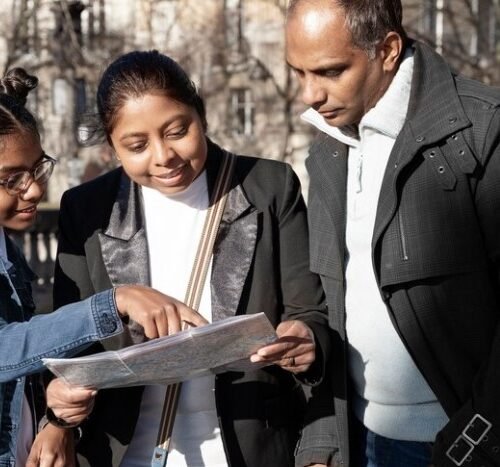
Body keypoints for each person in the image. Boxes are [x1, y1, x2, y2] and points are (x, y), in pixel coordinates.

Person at [36, 50, 331, 467]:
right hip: (121, 451)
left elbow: (311, 311)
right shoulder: (87, 209)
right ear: (112, 146)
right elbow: (69, 342)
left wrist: (306, 339)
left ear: (201, 114)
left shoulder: (268, 186)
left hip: (251, 446)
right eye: (136, 145)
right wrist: (59, 412)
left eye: (177, 131)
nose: (163, 156)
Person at [285, 0, 500, 466]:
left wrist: (476, 441)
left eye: (328, 71)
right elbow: (331, 303)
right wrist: (325, 435)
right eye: (297, 73)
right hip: (359, 439)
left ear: (386, 50)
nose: (309, 94)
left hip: (457, 445)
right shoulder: (328, 150)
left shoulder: (483, 130)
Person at [0, 67, 206, 467]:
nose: (36, 189)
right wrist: (113, 303)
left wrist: (57, 418)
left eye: (38, 168)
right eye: (12, 180)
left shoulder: (11, 253)